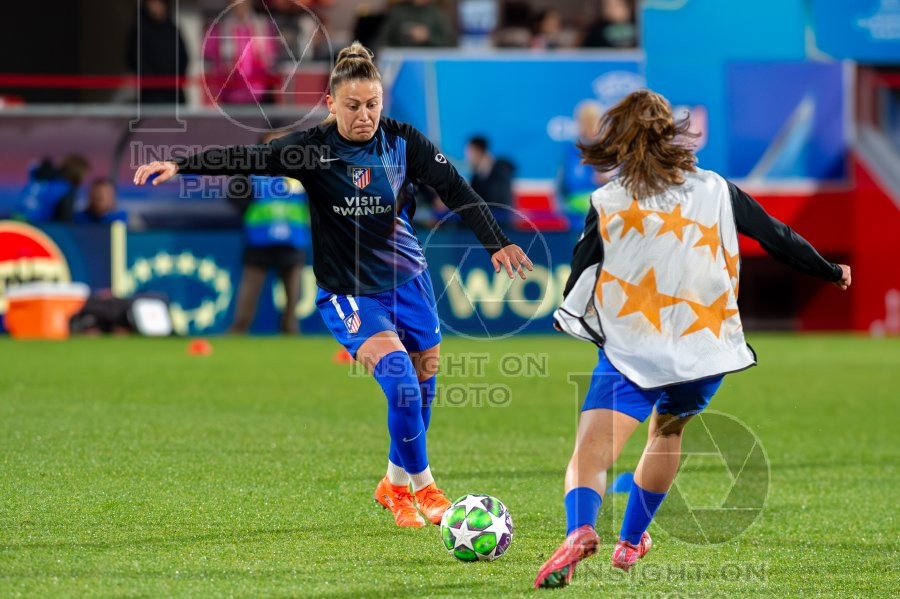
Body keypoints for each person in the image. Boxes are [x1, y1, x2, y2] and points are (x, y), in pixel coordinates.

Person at [134, 42, 533, 529]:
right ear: (330, 103)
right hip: (348, 290)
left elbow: (457, 191)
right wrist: (180, 164)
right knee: (402, 386)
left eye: (372, 104)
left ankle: (393, 485)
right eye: (353, 106)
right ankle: (427, 488)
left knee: (422, 390)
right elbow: (247, 157)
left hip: (408, 280)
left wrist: (496, 242)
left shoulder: (404, 142)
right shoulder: (311, 150)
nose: (365, 115)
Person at [534, 90, 850, 588]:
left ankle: (581, 530)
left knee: (592, 452)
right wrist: (829, 270)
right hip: (704, 353)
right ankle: (631, 541)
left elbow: (583, 268)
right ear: (672, 135)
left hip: (633, 351)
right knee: (667, 433)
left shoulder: (607, 200)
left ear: (618, 139)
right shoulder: (718, 189)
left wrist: (571, 316)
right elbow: (775, 235)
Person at [227, 131, 310, 334]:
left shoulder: (303, 170)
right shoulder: (251, 168)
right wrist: (250, 209)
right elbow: (234, 194)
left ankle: (290, 331)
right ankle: (239, 329)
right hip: (259, 239)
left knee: (293, 293)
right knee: (250, 289)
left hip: (292, 240)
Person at [203, 0, 279, 105]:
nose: (240, 6)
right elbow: (211, 64)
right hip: (231, 97)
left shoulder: (262, 26)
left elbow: (272, 60)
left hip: (261, 96)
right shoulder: (221, 29)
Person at [126, 0, 189, 106]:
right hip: (150, 97)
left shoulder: (172, 30)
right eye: (151, 3)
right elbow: (134, 59)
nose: (155, 6)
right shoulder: (140, 31)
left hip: (174, 95)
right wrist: (153, 80)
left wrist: (173, 79)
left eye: (158, 2)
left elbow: (183, 58)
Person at [559, 100, 606, 229]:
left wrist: (607, 180)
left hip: (603, 223)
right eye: (584, 121)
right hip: (574, 223)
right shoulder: (571, 151)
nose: (588, 127)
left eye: (592, 121)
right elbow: (561, 188)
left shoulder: (610, 151)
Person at [13, 155, 90, 223]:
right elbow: (65, 223)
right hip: (37, 229)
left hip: (15, 221)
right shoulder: (65, 189)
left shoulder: (37, 178)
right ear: (78, 176)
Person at [465, 135, 515, 226]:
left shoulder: (501, 170)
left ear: (478, 151)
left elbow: (496, 201)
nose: (468, 157)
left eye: (470, 152)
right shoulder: (476, 177)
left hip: (501, 226)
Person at [380, 0, 456, 48]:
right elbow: (384, 42)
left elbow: (452, 43)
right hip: (402, 63)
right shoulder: (398, 13)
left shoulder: (438, 14)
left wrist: (428, 37)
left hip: (431, 63)